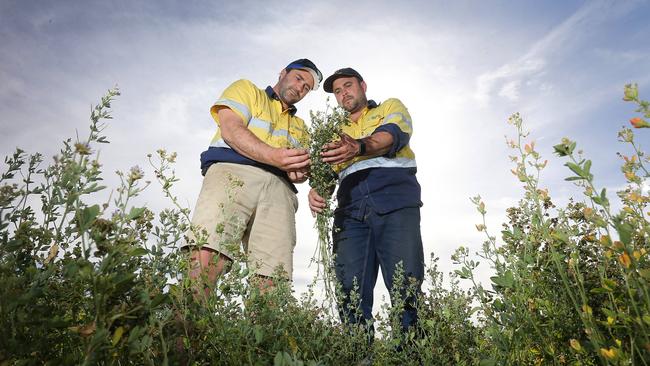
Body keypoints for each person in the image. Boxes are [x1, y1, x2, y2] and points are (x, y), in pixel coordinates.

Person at [185, 59, 322, 297]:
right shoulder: (247, 90)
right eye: (299, 78)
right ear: (283, 73)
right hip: (233, 173)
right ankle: (187, 331)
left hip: (280, 190)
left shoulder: (301, 127)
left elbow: (298, 170)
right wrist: (274, 156)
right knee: (207, 256)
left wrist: (299, 172)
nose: (301, 88)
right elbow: (231, 129)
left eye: (307, 87)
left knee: (272, 278)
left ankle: (262, 333)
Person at [308, 68, 424, 336]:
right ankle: (359, 355)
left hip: (394, 203)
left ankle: (410, 355)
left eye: (348, 86)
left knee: (406, 285)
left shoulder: (390, 107)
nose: (343, 93)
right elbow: (327, 173)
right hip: (350, 214)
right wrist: (318, 191)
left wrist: (359, 146)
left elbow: (392, 135)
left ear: (363, 86)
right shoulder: (334, 130)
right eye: (337, 91)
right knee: (349, 290)